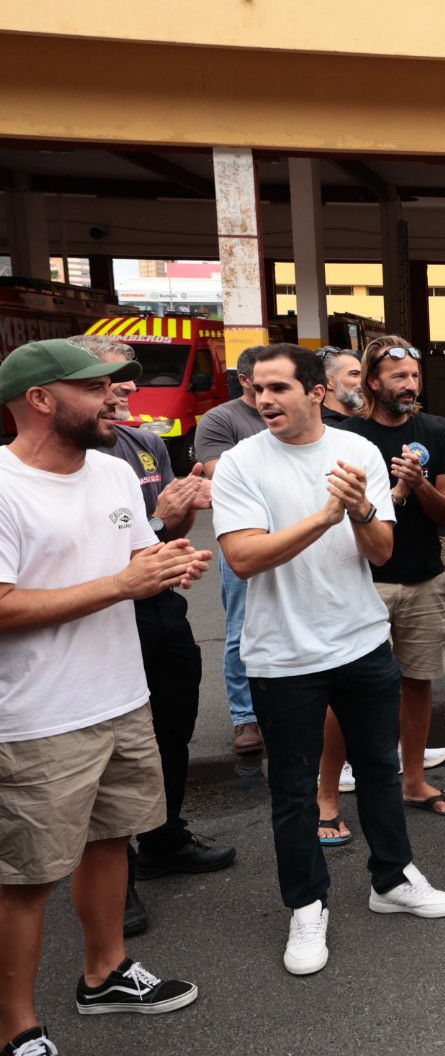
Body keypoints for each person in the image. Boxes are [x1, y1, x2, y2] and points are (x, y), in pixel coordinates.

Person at [211, 344, 445, 977]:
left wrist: (360, 510)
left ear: (315, 392)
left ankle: (393, 879)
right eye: (255, 388)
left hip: (360, 640)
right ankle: (306, 904)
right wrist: (327, 515)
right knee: (294, 791)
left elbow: (380, 551)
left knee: (378, 768)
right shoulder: (241, 463)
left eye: (278, 388)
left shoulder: (360, 453)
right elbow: (243, 557)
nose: (264, 399)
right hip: (282, 655)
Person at [1, 340, 211, 1054]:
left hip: (121, 697)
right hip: (36, 715)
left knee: (110, 839)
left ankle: (106, 973)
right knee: (26, 878)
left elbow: (126, 562)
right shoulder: (3, 486)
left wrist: (164, 560)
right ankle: (16, 1028)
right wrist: (122, 584)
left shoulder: (118, 470)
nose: (116, 400)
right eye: (94, 389)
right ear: (40, 400)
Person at [69, 337, 236, 938]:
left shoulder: (143, 445)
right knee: (106, 750)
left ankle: (165, 838)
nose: (128, 390)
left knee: (170, 727)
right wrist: (161, 522)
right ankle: (121, 878)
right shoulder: (59, 467)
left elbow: (164, 532)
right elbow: (90, 557)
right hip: (99, 619)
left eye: (128, 379)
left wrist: (179, 515)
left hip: (159, 612)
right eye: (111, 378)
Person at [321, 337, 445, 838]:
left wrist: (420, 485)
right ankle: (327, 796)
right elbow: (337, 517)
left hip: (424, 578)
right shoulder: (342, 435)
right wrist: (394, 493)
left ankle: (415, 781)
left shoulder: (436, 430)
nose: (410, 385)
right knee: (349, 693)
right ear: (373, 381)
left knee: (419, 683)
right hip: (364, 583)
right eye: (398, 377)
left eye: (415, 377)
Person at [194, 345, 268, 756]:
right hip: (242, 539)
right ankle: (245, 718)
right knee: (242, 629)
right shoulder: (221, 420)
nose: (273, 393)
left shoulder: (301, 414)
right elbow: (221, 479)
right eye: (264, 382)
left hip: (298, 537)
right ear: (244, 380)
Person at [317, 346, 363, 426]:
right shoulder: (320, 429)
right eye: (354, 374)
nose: (364, 381)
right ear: (328, 382)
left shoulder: (365, 422)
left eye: (363, 375)